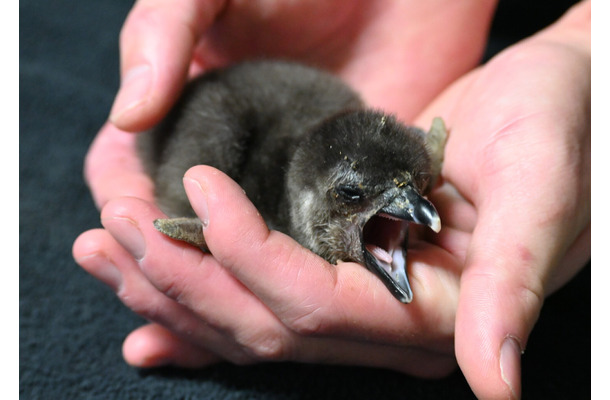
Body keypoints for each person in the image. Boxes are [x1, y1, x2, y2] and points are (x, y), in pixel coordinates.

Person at [72, 1, 590, 398]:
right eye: (350, 197)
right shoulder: (233, 146)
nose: (416, 212)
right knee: (207, 159)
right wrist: (195, 226)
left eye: (414, 189)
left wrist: (587, 45)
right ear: (308, 195)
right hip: (234, 120)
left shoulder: (333, 119)